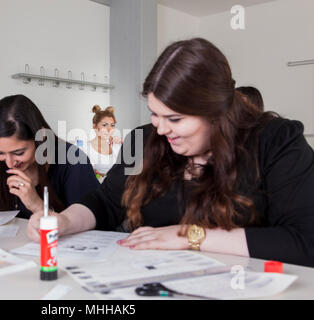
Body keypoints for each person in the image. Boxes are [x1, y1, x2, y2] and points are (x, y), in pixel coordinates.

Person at [28, 38, 314, 267]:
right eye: (155, 114)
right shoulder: (144, 139)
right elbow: (105, 202)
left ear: (217, 111)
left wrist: (190, 235)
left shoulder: (276, 141)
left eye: (175, 119)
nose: (162, 130)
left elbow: (305, 242)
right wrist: (63, 220)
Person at [88, 105, 122, 182]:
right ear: (95, 126)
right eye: (104, 125)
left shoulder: (118, 146)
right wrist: (94, 174)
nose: (109, 129)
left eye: (112, 125)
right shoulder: (86, 148)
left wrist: (124, 143)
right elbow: (87, 176)